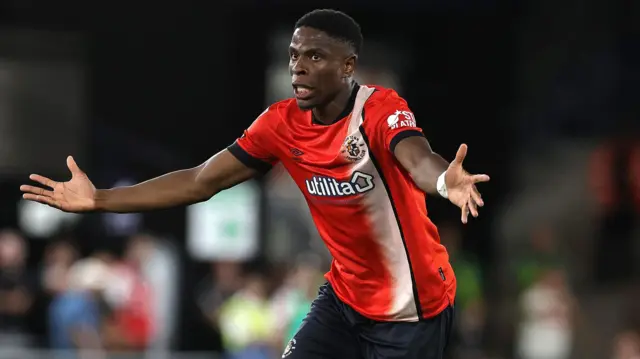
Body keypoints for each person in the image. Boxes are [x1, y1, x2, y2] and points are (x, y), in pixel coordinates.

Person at [20, 9, 489, 359]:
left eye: (315, 56)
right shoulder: (280, 124)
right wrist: (101, 199)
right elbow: (200, 181)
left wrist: (446, 181)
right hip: (345, 299)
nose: (298, 67)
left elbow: (417, 158)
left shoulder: (380, 110)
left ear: (348, 67)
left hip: (415, 310)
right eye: (293, 55)